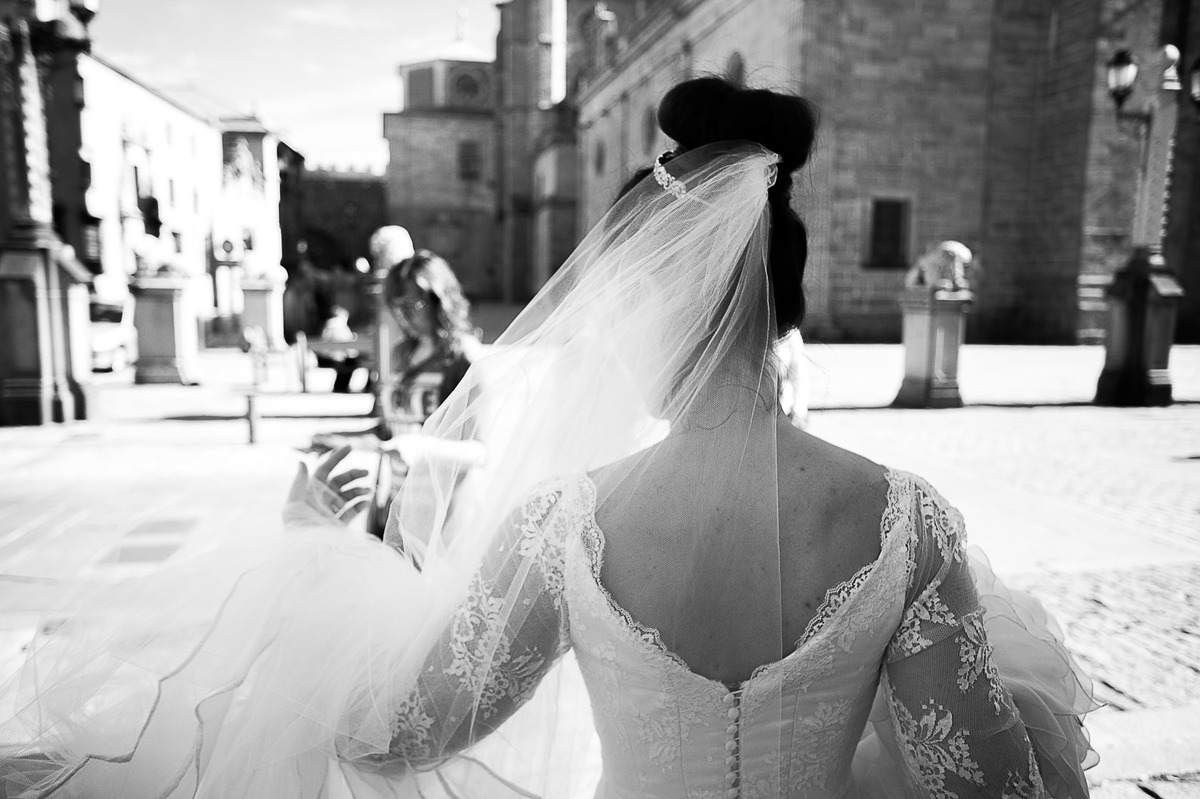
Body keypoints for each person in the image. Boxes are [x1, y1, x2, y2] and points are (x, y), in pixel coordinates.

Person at [0, 77, 1097, 799]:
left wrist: (317, 556)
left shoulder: (566, 524)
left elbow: (394, 737)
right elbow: (990, 791)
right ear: (789, 302)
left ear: (651, 304)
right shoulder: (904, 519)